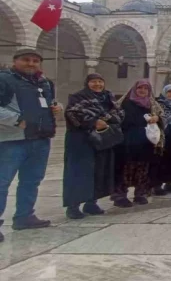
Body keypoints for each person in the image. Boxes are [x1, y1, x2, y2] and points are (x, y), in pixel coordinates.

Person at [0, 49, 61, 240]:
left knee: (31, 180)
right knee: (2, 182)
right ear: (15, 61)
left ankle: (24, 217)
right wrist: (16, 119)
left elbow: (48, 104)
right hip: (13, 139)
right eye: (26, 60)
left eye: (35, 60)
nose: (31, 64)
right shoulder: (4, 80)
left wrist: (57, 108)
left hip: (40, 138)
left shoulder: (45, 82)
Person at [63, 73, 122, 219]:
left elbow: (119, 114)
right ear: (87, 83)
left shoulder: (108, 97)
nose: (97, 84)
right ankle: (73, 206)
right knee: (79, 172)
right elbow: (72, 114)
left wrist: (106, 119)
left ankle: (91, 203)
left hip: (102, 139)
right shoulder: (78, 97)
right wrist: (93, 122)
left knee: (98, 171)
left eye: (100, 81)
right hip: (81, 140)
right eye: (93, 82)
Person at [113, 80, 164, 207]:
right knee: (125, 167)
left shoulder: (151, 104)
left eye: (145, 89)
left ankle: (140, 193)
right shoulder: (125, 103)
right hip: (127, 140)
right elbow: (113, 118)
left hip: (145, 140)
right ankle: (120, 195)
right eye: (140, 88)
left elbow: (162, 116)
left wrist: (157, 119)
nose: (142, 91)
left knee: (143, 167)